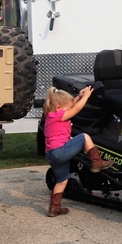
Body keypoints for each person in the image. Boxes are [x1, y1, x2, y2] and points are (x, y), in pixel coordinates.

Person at [43, 86, 114, 217]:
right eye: (66, 109)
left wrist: (79, 97)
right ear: (59, 107)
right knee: (84, 137)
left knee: (62, 180)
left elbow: (71, 105)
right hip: (60, 151)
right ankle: (96, 162)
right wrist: (86, 97)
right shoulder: (59, 115)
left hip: (52, 155)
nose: (68, 111)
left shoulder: (50, 115)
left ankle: (54, 208)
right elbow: (75, 109)